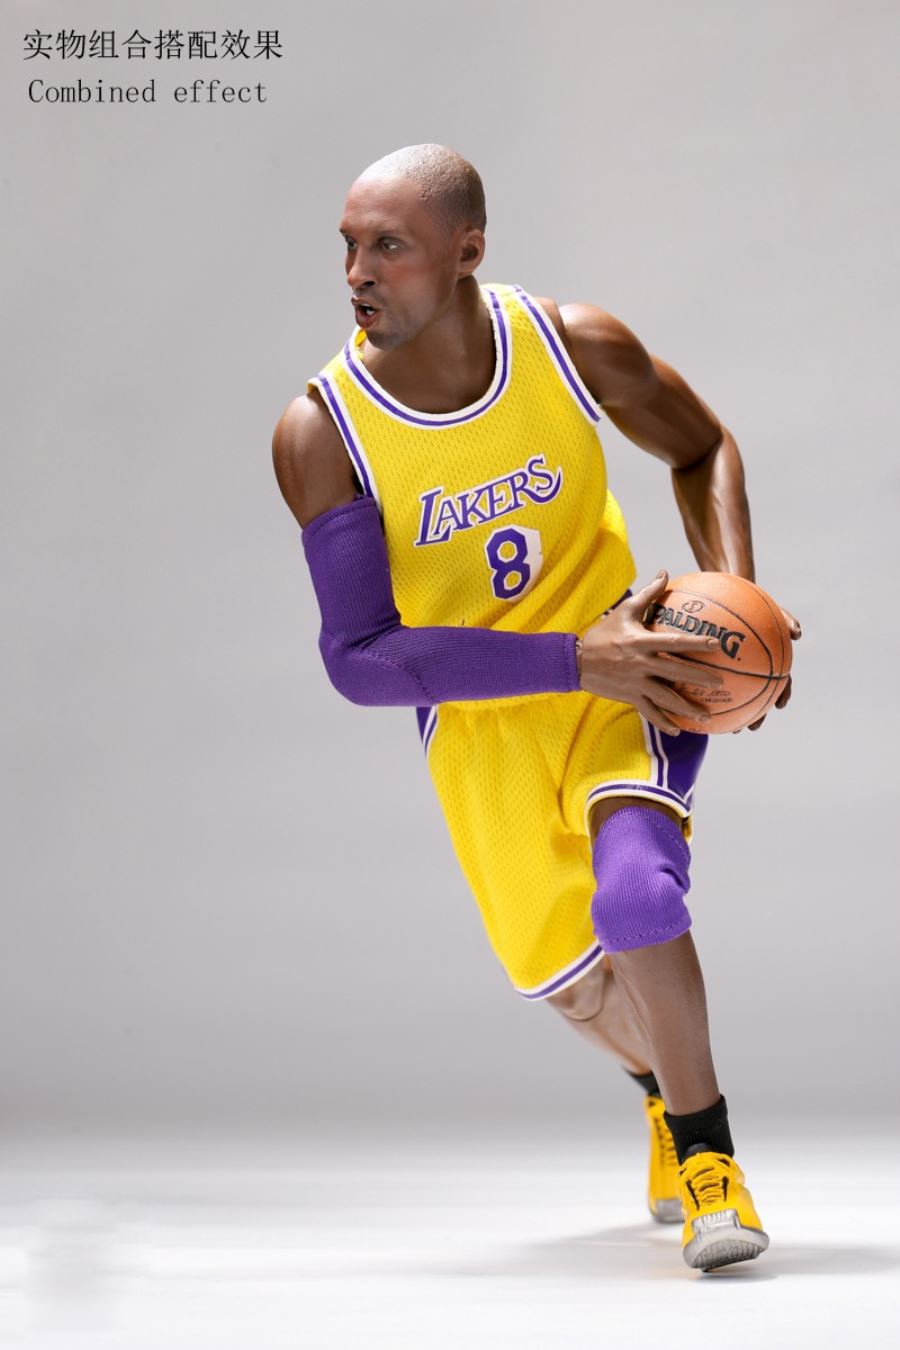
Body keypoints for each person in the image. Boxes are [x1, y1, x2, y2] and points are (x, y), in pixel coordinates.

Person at [272, 143, 800, 1273]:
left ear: (467, 251)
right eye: (349, 246)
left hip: (630, 677)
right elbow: (360, 660)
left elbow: (701, 445)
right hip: (486, 723)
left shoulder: (569, 345)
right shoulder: (325, 432)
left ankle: (711, 1163)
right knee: (571, 984)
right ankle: (660, 1090)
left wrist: (737, 601)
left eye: (390, 246)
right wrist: (571, 660)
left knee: (637, 893)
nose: (358, 272)